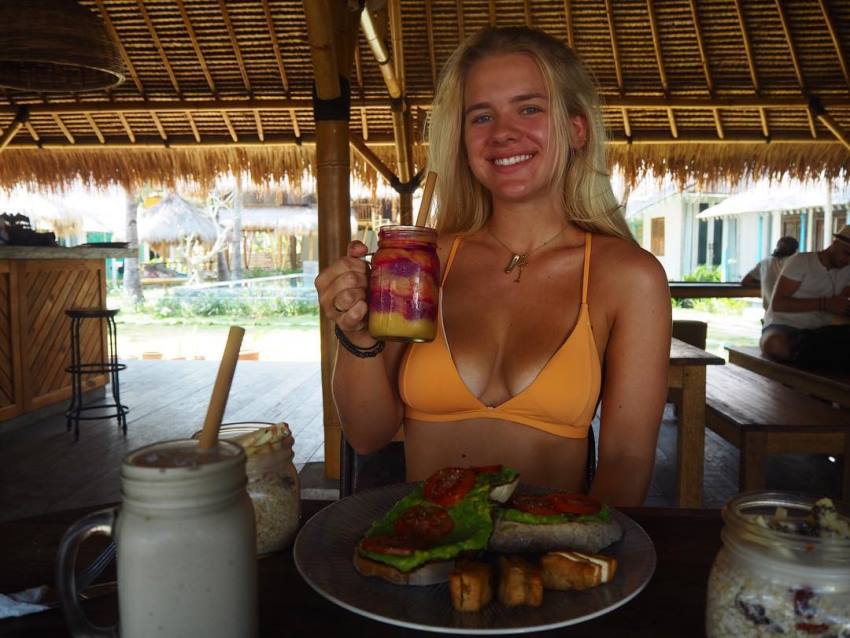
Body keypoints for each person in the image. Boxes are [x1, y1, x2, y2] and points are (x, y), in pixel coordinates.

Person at [315, 27, 671, 507]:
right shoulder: (423, 260)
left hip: (550, 557)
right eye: (481, 116)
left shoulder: (628, 277)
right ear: (463, 142)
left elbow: (627, 461)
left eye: (529, 108)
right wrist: (356, 336)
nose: (502, 132)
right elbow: (368, 436)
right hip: (425, 551)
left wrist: (572, 560)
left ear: (576, 129)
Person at [760, 225, 850, 369]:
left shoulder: (847, 270)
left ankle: (808, 355)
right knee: (776, 345)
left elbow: (842, 302)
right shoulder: (802, 261)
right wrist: (825, 304)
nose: (848, 261)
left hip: (820, 329)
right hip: (783, 326)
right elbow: (779, 304)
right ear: (835, 243)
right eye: (847, 253)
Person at [741, 236, 799, 310]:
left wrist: (765, 284)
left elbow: (746, 281)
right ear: (795, 250)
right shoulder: (796, 263)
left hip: (770, 314)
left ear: (777, 247)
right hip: (793, 313)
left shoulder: (765, 262)